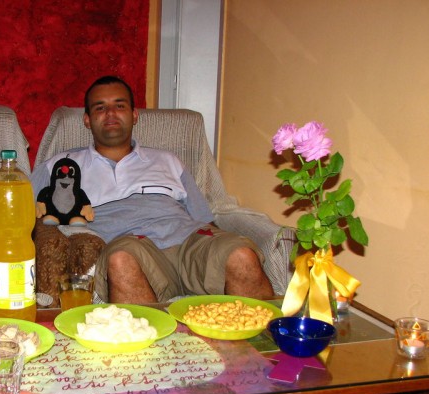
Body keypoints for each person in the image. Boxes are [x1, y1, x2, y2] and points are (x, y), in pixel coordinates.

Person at [31, 75, 273, 303]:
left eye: (119, 105)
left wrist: (215, 245)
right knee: (120, 261)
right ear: (87, 120)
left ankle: (264, 335)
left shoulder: (167, 160)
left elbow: (204, 218)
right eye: (100, 108)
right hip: (132, 248)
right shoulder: (60, 166)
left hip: (190, 241)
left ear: (134, 115)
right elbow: (17, 213)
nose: (111, 113)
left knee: (241, 255)